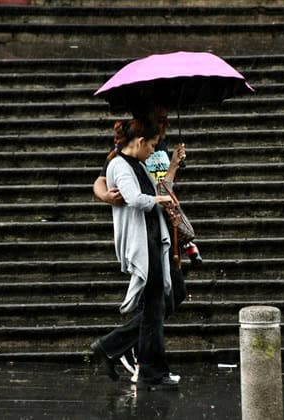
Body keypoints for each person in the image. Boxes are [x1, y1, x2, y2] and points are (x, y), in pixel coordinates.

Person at [93, 105, 199, 382]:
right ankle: (149, 369)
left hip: (159, 236)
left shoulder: (141, 162)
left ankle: (112, 347)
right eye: (152, 144)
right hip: (143, 241)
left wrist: (173, 165)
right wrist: (107, 196)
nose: (154, 149)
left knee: (164, 300)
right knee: (155, 306)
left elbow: (161, 188)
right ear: (141, 140)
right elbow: (136, 198)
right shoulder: (120, 162)